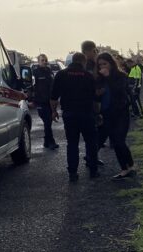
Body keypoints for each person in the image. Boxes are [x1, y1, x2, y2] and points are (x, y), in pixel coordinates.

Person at [50, 53, 100, 182]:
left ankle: (73, 173)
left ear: (72, 61)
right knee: (91, 142)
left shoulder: (61, 75)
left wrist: (54, 111)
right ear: (83, 61)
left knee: (72, 144)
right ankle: (93, 170)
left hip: (69, 115)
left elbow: (54, 97)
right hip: (87, 114)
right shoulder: (88, 76)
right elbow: (95, 98)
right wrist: (98, 113)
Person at [96, 52, 136, 180]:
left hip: (121, 113)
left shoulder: (121, 76)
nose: (102, 67)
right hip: (107, 113)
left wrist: (108, 78)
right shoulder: (100, 79)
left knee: (119, 140)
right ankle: (124, 169)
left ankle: (132, 165)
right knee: (114, 142)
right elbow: (97, 95)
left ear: (111, 63)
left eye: (105, 63)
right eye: (100, 64)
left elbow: (120, 92)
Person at [32, 54, 58, 149]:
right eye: (42, 60)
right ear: (38, 61)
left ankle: (47, 141)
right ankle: (50, 141)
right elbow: (32, 87)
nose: (44, 62)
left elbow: (53, 85)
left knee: (49, 121)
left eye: (45, 60)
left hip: (49, 101)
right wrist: (32, 100)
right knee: (47, 121)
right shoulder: (35, 73)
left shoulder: (49, 71)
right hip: (40, 101)